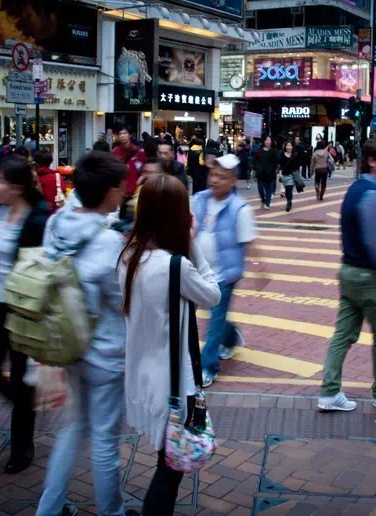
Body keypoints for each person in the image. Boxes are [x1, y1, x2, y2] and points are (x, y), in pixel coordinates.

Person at [36, 152, 131, 516]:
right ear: (108, 192)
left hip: (66, 345)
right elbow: (122, 300)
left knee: (74, 427)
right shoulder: (108, 242)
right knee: (105, 439)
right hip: (104, 352)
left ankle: (49, 508)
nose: (124, 192)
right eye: (120, 187)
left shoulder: (57, 222)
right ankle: (111, 512)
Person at [119, 175, 220, 513]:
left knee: (167, 455)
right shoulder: (174, 266)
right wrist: (192, 244)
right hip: (174, 381)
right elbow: (213, 295)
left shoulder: (128, 256)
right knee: (172, 464)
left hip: (142, 374)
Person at [318, 140, 376, 412]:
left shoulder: (355, 189)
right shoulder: (370, 194)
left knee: (342, 335)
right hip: (370, 277)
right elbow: (372, 240)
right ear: (371, 161)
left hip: (348, 272)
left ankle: (329, 392)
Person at [0, 158, 51, 474]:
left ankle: (21, 447)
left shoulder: (38, 219)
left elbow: (45, 267)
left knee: (21, 375)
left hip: (23, 308)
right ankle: (26, 408)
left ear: (18, 187)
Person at [194, 154, 256, 388]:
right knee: (215, 317)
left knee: (215, 320)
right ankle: (230, 335)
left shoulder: (240, 208)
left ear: (232, 181)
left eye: (221, 177)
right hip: (196, 271)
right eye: (213, 175)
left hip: (223, 275)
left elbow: (249, 241)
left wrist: (261, 269)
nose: (215, 180)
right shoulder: (198, 199)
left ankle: (208, 367)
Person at [112, 127, 146, 198]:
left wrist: (136, 184)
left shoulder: (139, 152)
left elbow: (144, 172)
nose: (122, 136)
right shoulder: (114, 152)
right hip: (119, 193)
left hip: (135, 193)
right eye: (120, 134)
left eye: (125, 133)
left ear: (130, 135)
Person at [255, 136, 279, 209]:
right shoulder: (259, 150)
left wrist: (274, 170)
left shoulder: (274, 150)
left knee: (268, 189)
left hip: (270, 173)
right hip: (260, 173)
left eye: (269, 140)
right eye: (266, 140)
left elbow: (276, 162)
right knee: (260, 188)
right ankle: (263, 200)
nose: (267, 141)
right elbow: (255, 160)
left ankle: (267, 204)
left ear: (271, 142)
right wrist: (255, 168)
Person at [280, 141, 301, 212]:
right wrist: (280, 174)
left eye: (290, 145)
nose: (288, 147)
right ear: (285, 147)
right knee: (287, 190)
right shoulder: (282, 155)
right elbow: (281, 166)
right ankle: (289, 201)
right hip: (285, 175)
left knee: (289, 189)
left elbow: (297, 166)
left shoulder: (295, 155)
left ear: (292, 147)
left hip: (292, 175)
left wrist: (298, 175)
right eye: (287, 145)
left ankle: (288, 203)